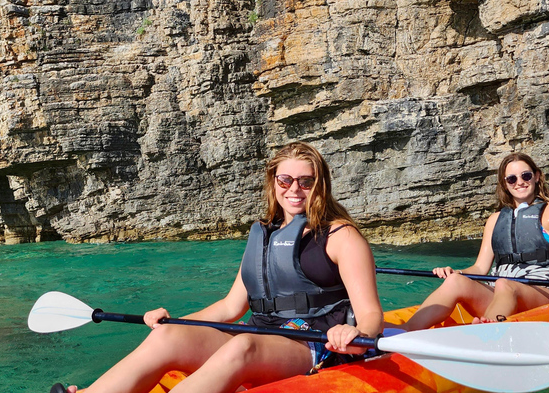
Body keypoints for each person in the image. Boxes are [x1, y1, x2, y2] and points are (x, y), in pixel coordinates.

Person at [62, 141, 383, 393]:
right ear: (274, 183)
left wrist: (356, 332)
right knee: (168, 336)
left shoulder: (342, 237)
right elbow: (230, 307)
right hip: (263, 334)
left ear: (320, 184)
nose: (294, 189)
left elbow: (370, 314)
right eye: (285, 179)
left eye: (305, 181)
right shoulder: (266, 235)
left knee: (244, 345)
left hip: (312, 345)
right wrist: (172, 322)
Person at [400, 152, 549, 329]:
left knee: (505, 284)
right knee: (457, 281)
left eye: (526, 176)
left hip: (545, 292)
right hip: (502, 294)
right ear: (505, 184)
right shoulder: (495, 220)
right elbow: (480, 268)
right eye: (512, 179)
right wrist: (455, 272)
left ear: (537, 176)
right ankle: (407, 330)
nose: (519, 182)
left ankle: (486, 332)